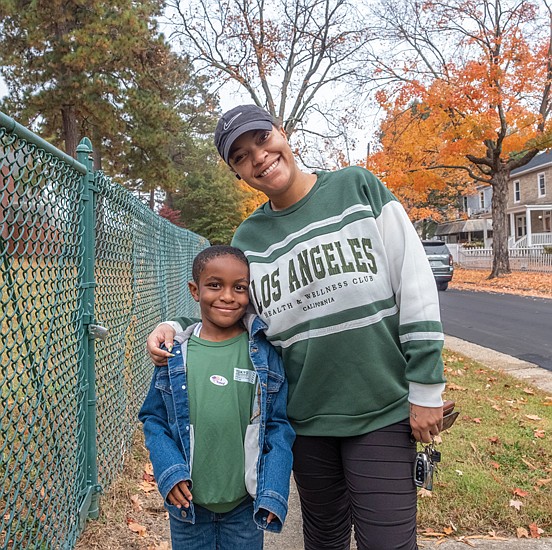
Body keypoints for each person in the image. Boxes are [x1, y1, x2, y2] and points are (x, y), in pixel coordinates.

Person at [146, 105, 446, 550]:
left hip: (380, 408)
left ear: (282, 132)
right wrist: (177, 325)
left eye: (262, 139)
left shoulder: (355, 187)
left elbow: (415, 283)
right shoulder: (250, 237)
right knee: (323, 539)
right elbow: (238, 313)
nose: (259, 157)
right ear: (238, 173)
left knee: (388, 542)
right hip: (305, 420)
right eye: (242, 157)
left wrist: (426, 387)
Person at [139, 244, 295, 550]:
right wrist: (170, 472)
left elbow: (278, 427)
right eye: (214, 285)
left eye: (239, 287)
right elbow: (154, 419)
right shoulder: (175, 355)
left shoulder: (263, 355)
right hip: (189, 508)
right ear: (195, 291)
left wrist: (272, 491)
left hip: (243, 508)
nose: (227, 296)